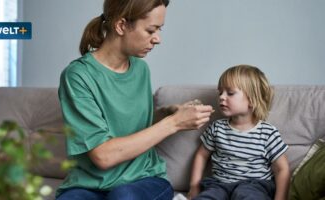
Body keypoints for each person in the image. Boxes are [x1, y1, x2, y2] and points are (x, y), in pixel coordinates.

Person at [56, 0, 214, 199]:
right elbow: (103, 156)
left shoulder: (140, 69)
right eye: (151, 30)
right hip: (88, 183)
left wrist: (169, 113)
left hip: (144, 178)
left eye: (159, 29)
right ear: (121, 26)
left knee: (123, 197)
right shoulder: (78, 76)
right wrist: (174, 123)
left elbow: (133, 124)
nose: (158, 39)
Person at [188, 65, 290, 200]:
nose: (222, 97)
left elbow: (282, 169)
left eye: (230, 93)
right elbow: (201, 155)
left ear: (252, 100)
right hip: (219, 184)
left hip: (253, 186)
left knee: (248, 195)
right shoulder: (217, 128)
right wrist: (194, 187)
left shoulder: (267, 133)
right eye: (220, 92)